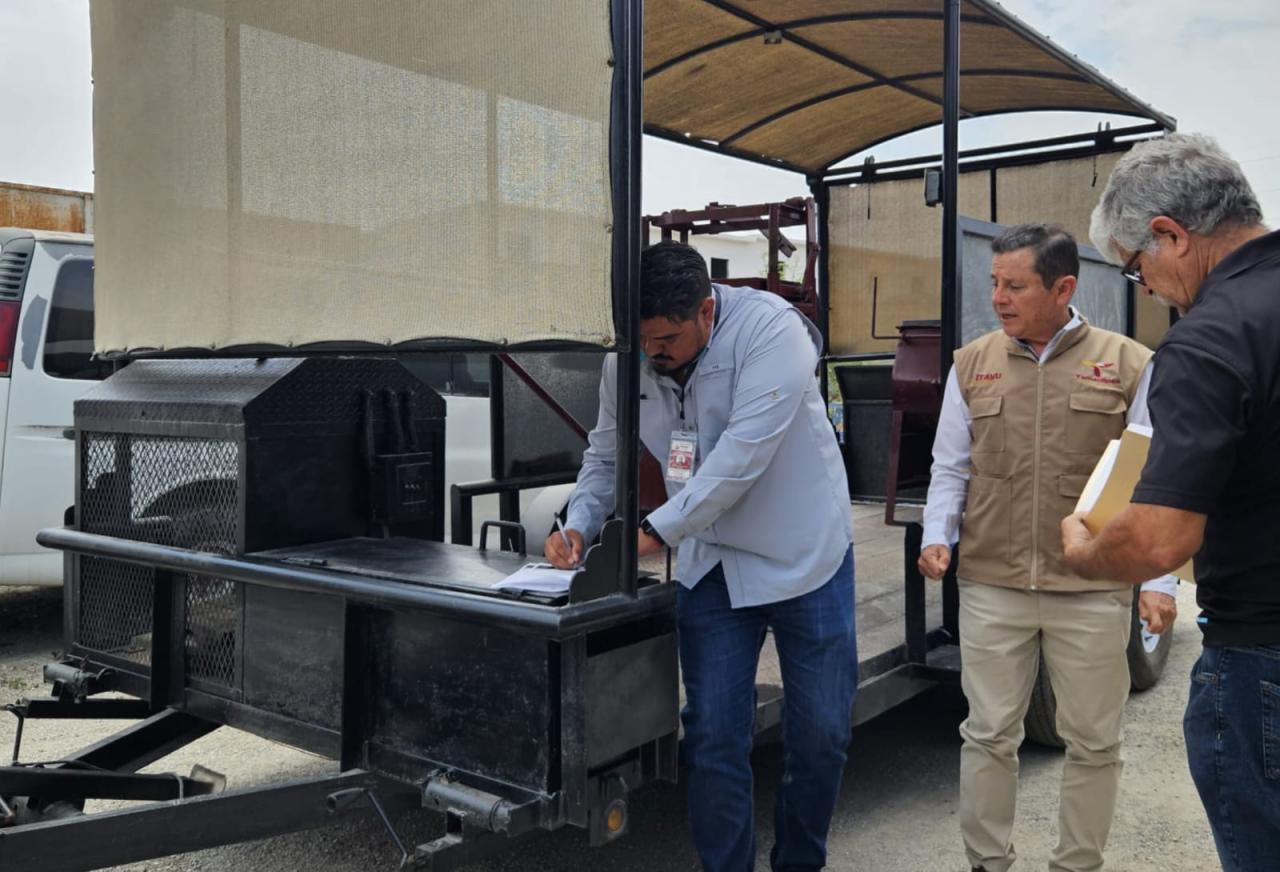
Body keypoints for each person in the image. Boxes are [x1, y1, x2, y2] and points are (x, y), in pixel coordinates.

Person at [545, 240, 856, 872]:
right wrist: (577, 525)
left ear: (707, 311)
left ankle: (800, 861)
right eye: (641, 340)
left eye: (667, 338)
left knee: (821, 735)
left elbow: (743, 456)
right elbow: (605, 455)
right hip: (712, 564)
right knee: (713, 737)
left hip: (803, 556)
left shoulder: (772, 332)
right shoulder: (629, 356)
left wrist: (655, 531)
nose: (652, 353)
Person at [918, 223, 1178, 872]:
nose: (998, 298)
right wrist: (937, 536)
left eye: (1014, 286)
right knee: (987, 735)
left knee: (1094, 742)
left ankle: (1076, 865)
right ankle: (987, 863)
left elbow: (1158, 476)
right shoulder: (971, 363)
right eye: (993, 283)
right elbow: (950, 465)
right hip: (992, 585)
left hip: (1092, 587)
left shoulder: (1128, 363)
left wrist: (1159, 580)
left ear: (1063, 288)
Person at [1062, 132, 1279, 872]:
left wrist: (1086, 550)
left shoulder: (1211, 339)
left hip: (1264, 654)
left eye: (1135, 268)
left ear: (1171, 235)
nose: (1146, 289)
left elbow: (1159, 538)